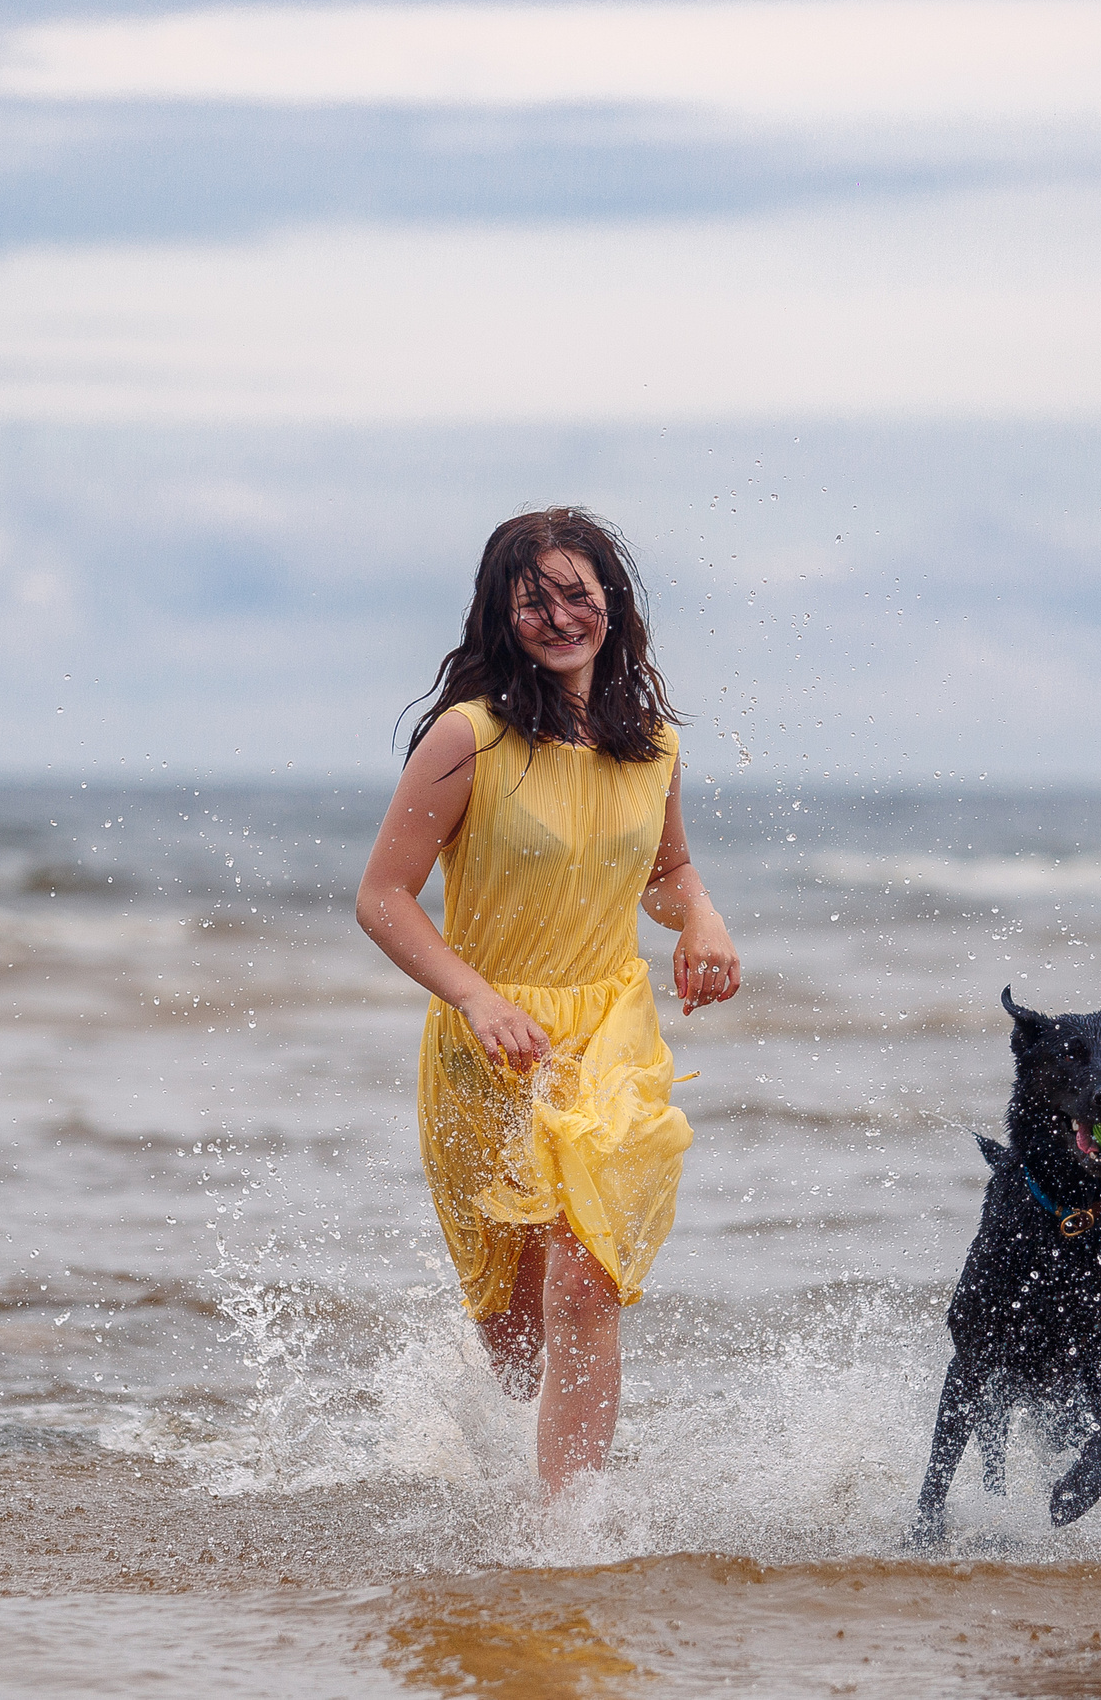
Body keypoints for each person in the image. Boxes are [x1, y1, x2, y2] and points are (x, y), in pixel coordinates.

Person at [355, 507, 741, 1496]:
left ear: (611, 603)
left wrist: (700, 919)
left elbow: (668, 871)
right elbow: (381, 897)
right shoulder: (466, 739)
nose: (560, 617)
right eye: (535, 600)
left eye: (578, 594)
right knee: (519, 1347)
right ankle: (480, 1457)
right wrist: (477, 999)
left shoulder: (649, 745)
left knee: (586, 1283)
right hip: (489, 1043)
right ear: (500, 612)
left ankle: (569, 1533)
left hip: (609, 1032)